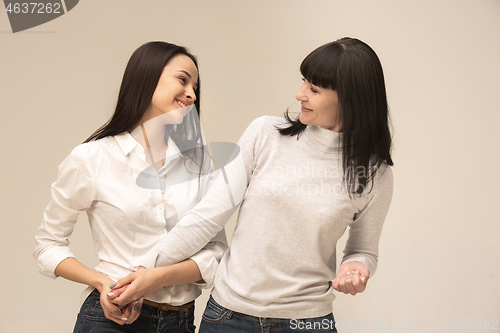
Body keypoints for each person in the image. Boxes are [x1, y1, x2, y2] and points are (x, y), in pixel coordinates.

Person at [110, 37, 394, 333]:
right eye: (303, 82)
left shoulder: (376, 174)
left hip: (307, 322)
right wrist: (144, 271)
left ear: (350, 99)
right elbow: (209, 214)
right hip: (228, 317)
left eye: (314, 89)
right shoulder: (266, 135)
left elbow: (363, 251)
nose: (299, 95)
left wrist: (358, 267)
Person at [33, 41, 227, 333]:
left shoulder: (197, 162)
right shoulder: (92, 158)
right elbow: (47, 245)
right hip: (112, 319)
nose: (192, 94)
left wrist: (156, 279)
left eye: (195, 87)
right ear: (147, 77)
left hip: (182, 322)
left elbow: (215, 251)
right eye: (182, 79)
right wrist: (101, 282)